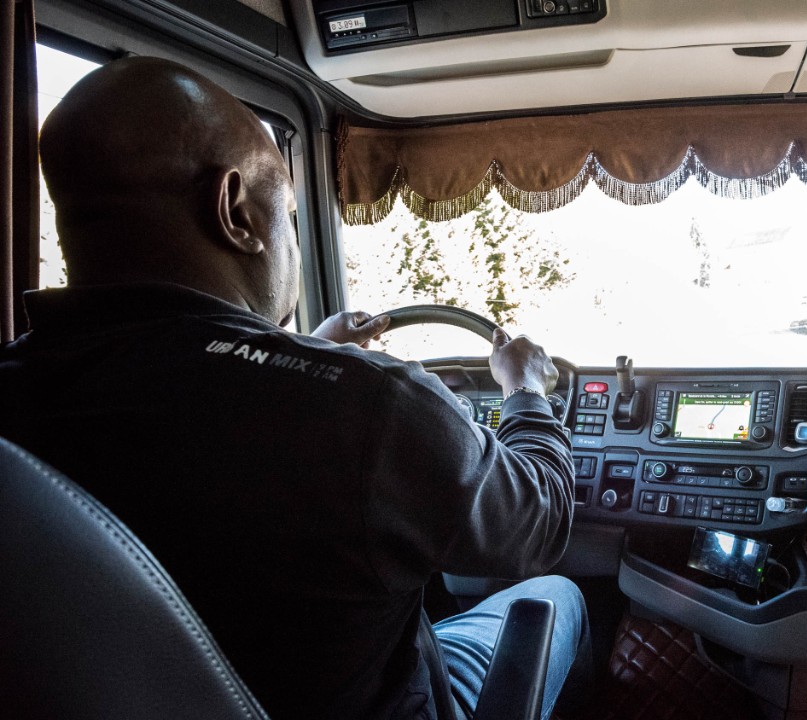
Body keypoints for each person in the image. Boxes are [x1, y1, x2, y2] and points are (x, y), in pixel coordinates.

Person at [0, 57, 587, 720]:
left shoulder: (16, 396)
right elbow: (536, 520)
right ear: (233, 212)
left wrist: (316, 350)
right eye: (285, 210)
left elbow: (202, 395)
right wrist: (526, 391)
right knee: (556, 596)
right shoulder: (373, 409)